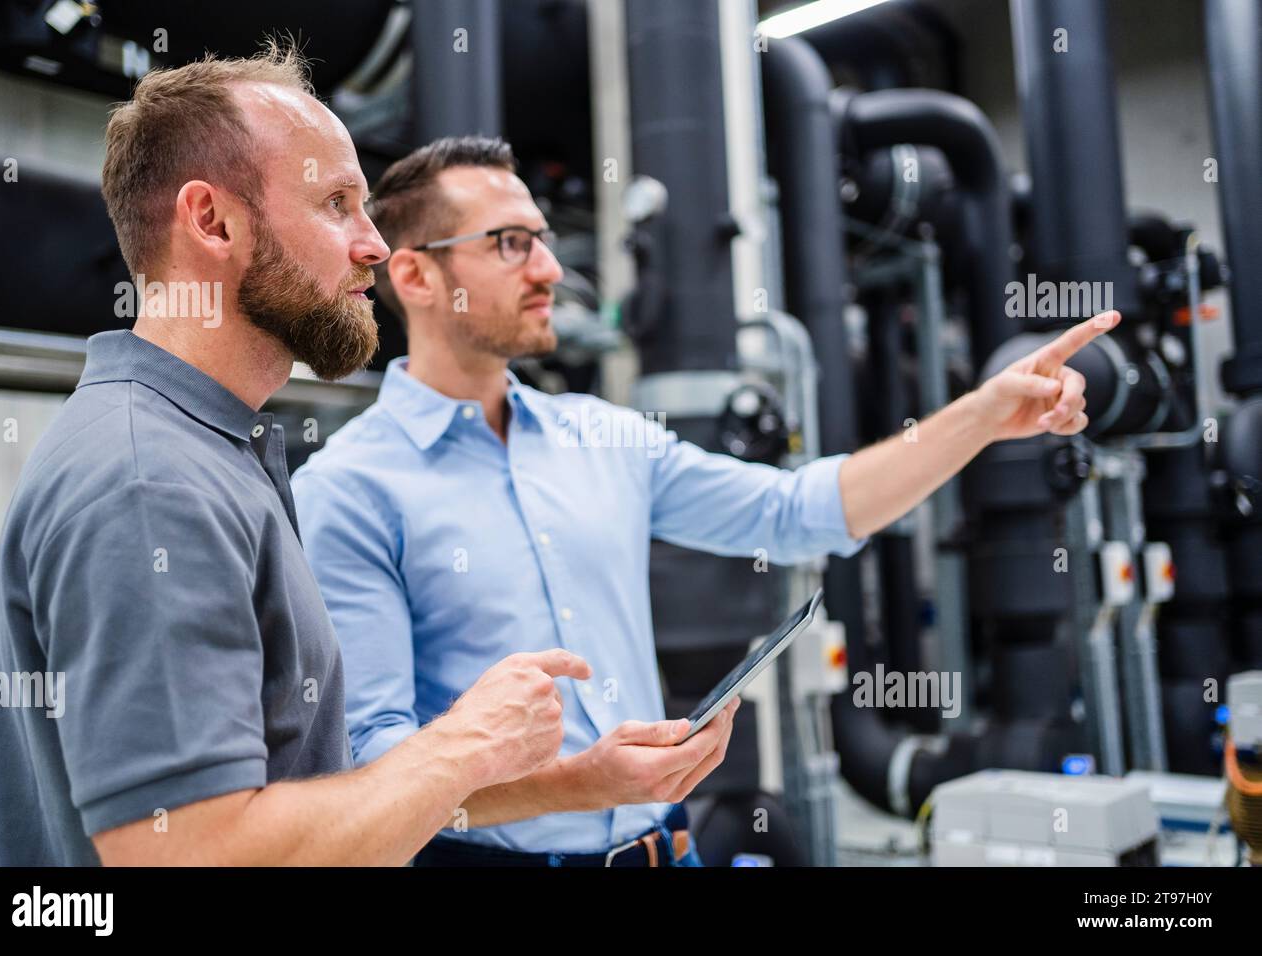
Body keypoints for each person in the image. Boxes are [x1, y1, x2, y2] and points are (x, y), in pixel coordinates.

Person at [291, 134, 1116, 866]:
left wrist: (980, 416)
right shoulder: (350, 488)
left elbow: (798, 513)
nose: (549, 269)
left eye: (542, 240)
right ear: (415, 274)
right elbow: (376, 767)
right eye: (510, 244)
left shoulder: (603, 437)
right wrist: (570, 787)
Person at [0, 46, 622, 867]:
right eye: (337, 204)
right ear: (212, 222)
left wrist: (570, 781)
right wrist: (462, 743)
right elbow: (191, 853)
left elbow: (306, 793)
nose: (375, 247)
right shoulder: (150, 481)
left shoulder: (209, 448)